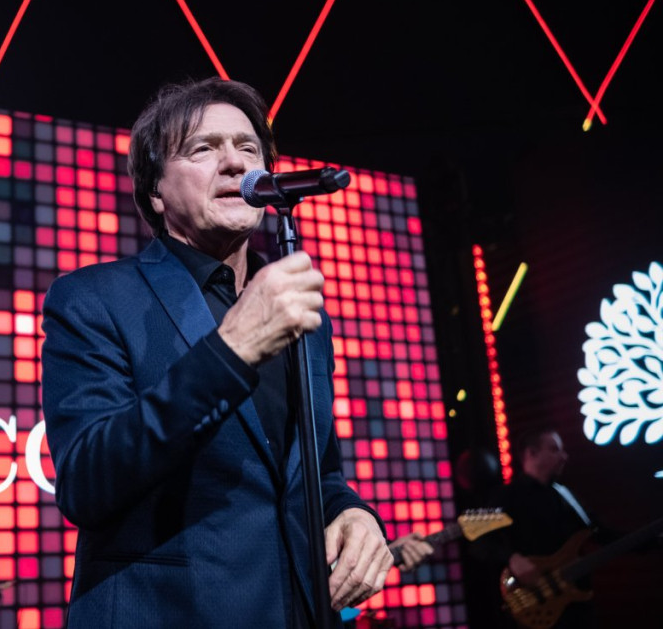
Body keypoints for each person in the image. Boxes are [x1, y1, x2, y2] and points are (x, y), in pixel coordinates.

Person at [40, 77, 392, 628]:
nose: (234, 163)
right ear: (155, 191)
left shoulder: (299, 309)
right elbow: (87, 483)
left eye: (248, 148)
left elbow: (315, 471)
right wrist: (232, 350)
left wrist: (352, 511)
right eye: (203, 148)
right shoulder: (93, 298)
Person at [472, 427, 599, 628]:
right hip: (536, 605)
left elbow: (599, 531)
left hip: (575, 606)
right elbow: (476, 539)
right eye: (554, 449)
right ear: (531, 453)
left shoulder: (565, 494)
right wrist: (512, 558)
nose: (564, 457)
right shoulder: (504, 495)